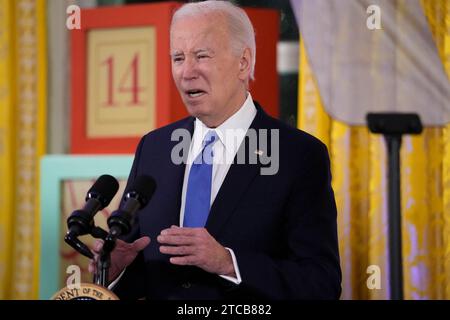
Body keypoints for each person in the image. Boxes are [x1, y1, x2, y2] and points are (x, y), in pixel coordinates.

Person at [90, 0, 341, 300]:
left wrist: (227, 262)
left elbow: (321, 284)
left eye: (202, 55)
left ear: (243, 62)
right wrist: (115, 272)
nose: (187, 72)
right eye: (178, 58)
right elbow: (141, 267)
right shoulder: (154, 148)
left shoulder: (298, 156)